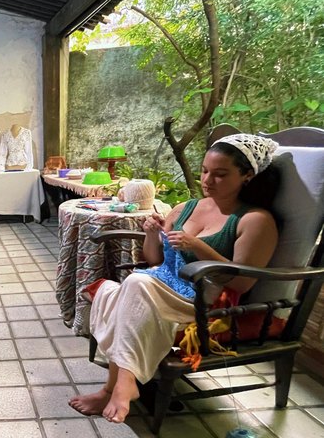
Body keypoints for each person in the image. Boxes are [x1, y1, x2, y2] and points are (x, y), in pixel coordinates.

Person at [69, 133, 280, 424]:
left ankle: (120, 384)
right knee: (121, 291)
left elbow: (242, 282)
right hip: (159, 285)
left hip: (204, 299)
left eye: (220, 174)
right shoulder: (187, 207)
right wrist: (153, 234)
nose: (208, 180)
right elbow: (155, 260)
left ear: (247, 175)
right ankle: (116, 387)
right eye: (205, 171)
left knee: (133, 285)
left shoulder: (254, 220)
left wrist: (199, 246)